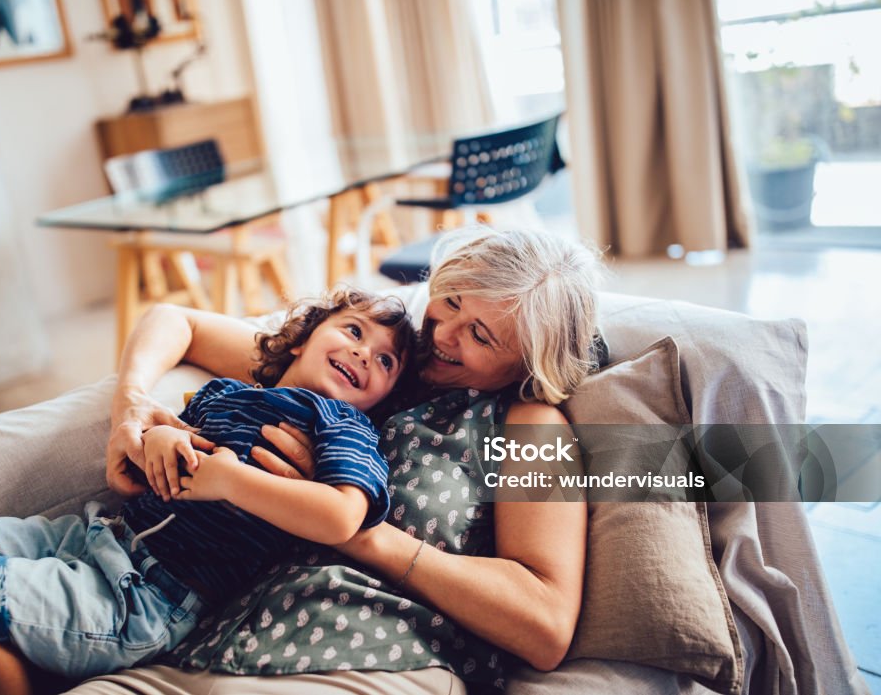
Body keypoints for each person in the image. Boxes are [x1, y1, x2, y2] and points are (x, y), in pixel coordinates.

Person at [63, 226, 604, 695]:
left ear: (526, 365)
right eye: (453, 301)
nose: (441, 335)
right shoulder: (368, 367)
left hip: (371, 656)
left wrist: (353, 529)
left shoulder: (530, 425)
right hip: (211, 638)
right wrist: (131, 404)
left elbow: (545, 624)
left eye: (480, 336)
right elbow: (180, 322)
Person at [0, 289, 418, 694]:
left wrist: (232, 481)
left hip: (154, 595)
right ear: (302, 337)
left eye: (386, 362)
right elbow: (158, 431)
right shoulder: (228, 392)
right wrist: (159, 436)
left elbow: (343, 518)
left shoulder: (343, 427)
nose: (363, 353)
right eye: (354, 330)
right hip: (97, 538)